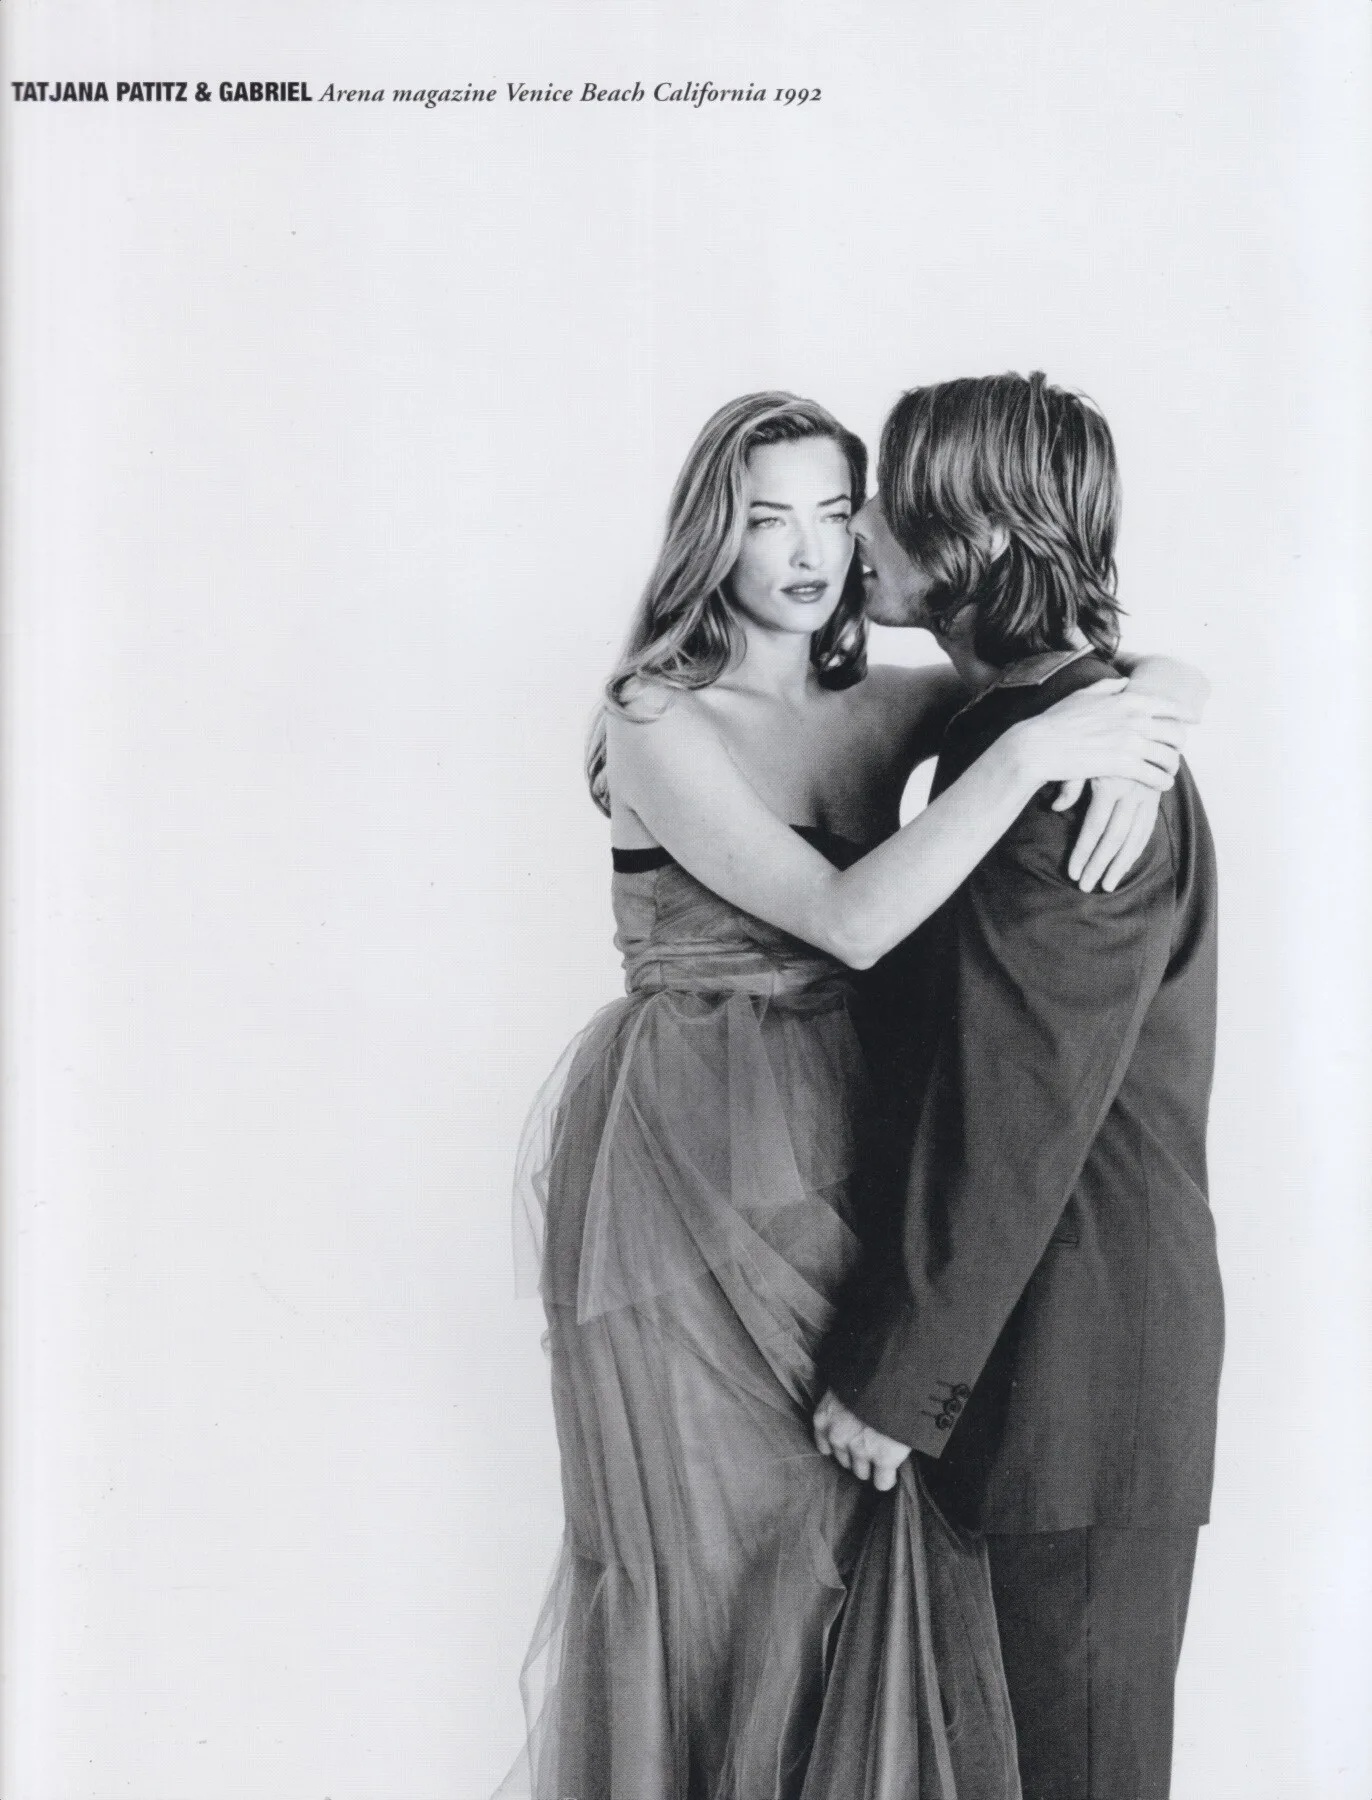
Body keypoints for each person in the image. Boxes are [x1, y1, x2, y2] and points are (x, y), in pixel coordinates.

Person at [501, 390, 1205, 1800]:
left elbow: (1087, 668)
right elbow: (852, 920)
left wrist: (1164, 711)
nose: (817, 550)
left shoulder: (889, 701)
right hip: (696, 1168)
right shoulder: (654, 717)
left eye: (839, 509)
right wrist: (1035, 757)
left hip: (851, 1148)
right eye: (770, 518)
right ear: (711, 532)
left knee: (849, 1575)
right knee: (708, 1572)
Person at [816, 372, 1223, 1800]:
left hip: (1071, 1378)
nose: (859, 526)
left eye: (889, 499)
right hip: (1021, 1363)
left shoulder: (1079, 770)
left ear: (978, 536)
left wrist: (895, 1381)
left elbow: (1021, 1111)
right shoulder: (1032, 728)